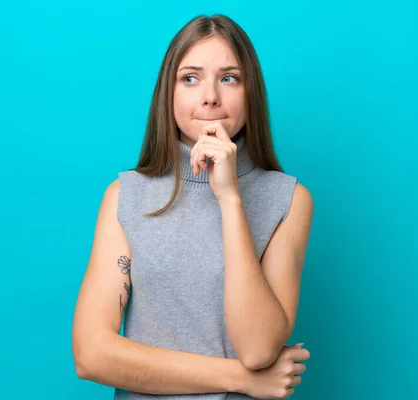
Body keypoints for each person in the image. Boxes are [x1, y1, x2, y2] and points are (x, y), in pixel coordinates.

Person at [72, 14, 313, 400]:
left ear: (251, 92)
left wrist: (230, 198)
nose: (210, 96)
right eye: (190, 77)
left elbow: (257, 347)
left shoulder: (288, 200)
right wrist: (240, 378)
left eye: (229, 78)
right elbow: (91, 355)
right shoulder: (125, 196)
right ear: (168, 91)